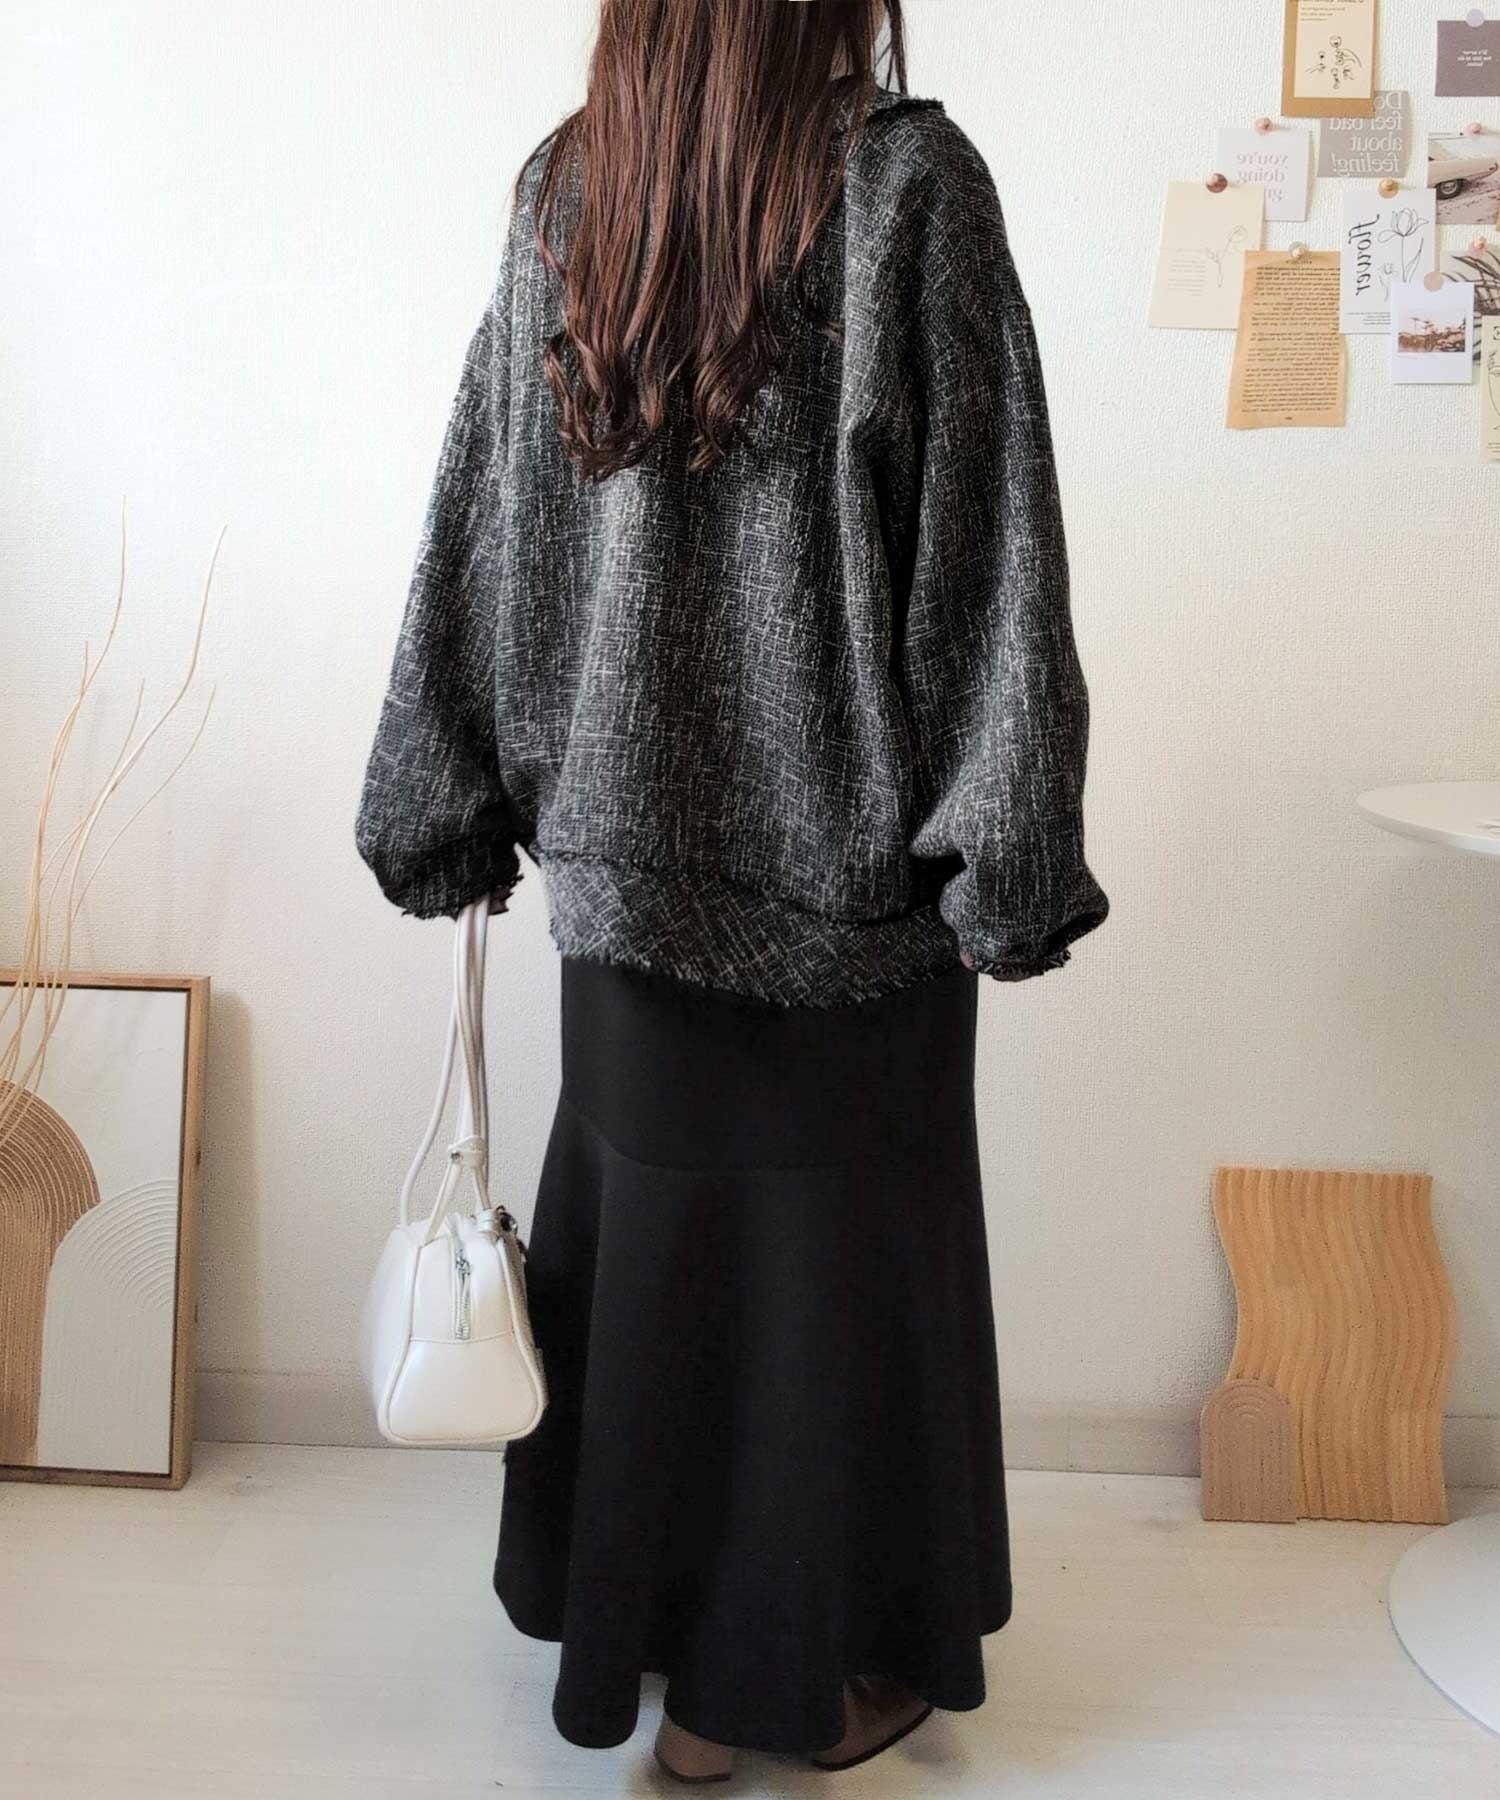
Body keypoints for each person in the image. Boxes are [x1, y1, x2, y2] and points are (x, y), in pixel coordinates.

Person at [355, 0, 1108, 1782]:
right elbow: (986, 557)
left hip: (621, 899)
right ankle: (766, 1696)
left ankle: (662, 1668)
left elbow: (486, 519)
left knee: (664, 1284)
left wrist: (444, 796)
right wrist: (1006, 856)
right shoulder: (909, 186)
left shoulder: (569, 188)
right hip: (848, 903)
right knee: (828, 1300)